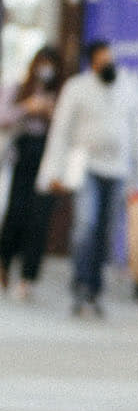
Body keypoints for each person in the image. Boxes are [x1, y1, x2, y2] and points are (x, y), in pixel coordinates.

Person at [37, 39, 138, 316]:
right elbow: (61, 131)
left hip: (117, 170)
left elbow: (136, 134)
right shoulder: (77, 89)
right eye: (100, 60)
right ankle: (81, 287)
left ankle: (95, 290)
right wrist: (52, 171)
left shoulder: (127, 88)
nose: (106, 64)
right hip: (86, 167)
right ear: (92, 63)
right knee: (86, 226)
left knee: (106, 232)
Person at [0, 46, 63, 299]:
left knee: (40, 219)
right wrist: (27, 107)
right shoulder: (19, 89)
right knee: (16, 212)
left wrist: (50, 112)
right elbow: (4, 116)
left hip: (48, 157)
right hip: (23, 154)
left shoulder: (62, 93)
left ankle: (28, 276)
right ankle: (3, 262)